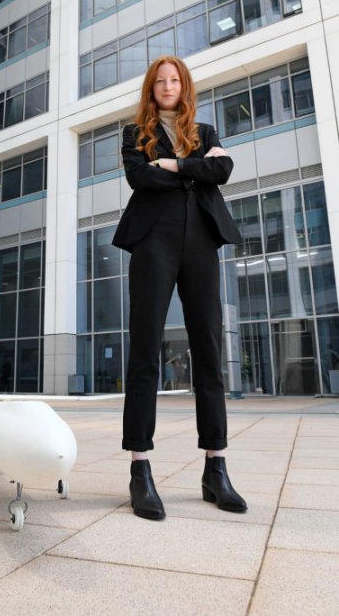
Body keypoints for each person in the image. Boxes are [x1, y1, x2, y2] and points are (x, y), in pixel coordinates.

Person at [112, 55, 247, 520]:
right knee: (146, 350)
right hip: (154, 240)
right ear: (151, 88)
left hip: (201, 241)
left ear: (183, 86)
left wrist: (171, 164)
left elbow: (223, 171)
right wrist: (189, 167)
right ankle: (140, 468)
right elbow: (138, 177)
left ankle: (216, 468)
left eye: (175, 80)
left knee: (209, 350)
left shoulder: (205, 131)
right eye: (160, 81)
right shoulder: (134, 135)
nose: (168, 86)